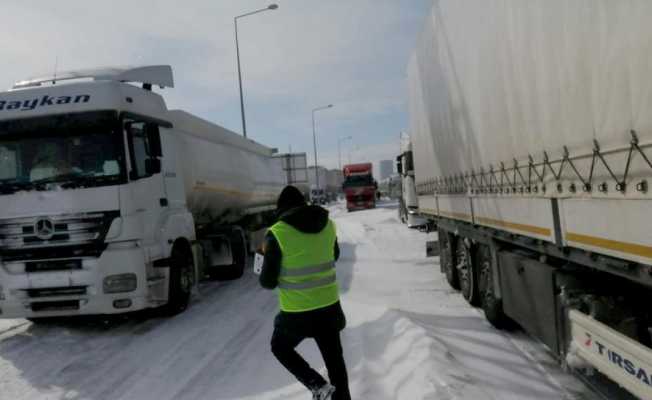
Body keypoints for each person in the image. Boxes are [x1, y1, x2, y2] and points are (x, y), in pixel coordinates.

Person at [260, 185, 351, 400]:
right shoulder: (327, 225)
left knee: (280, 347)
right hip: (329, 307)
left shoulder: (277, 233)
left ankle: (318, 385)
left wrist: (266, 260)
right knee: (335, 363)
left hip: (297, 313)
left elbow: (268, 282)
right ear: (304, 203)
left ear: (281, 208)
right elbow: (333, 256)